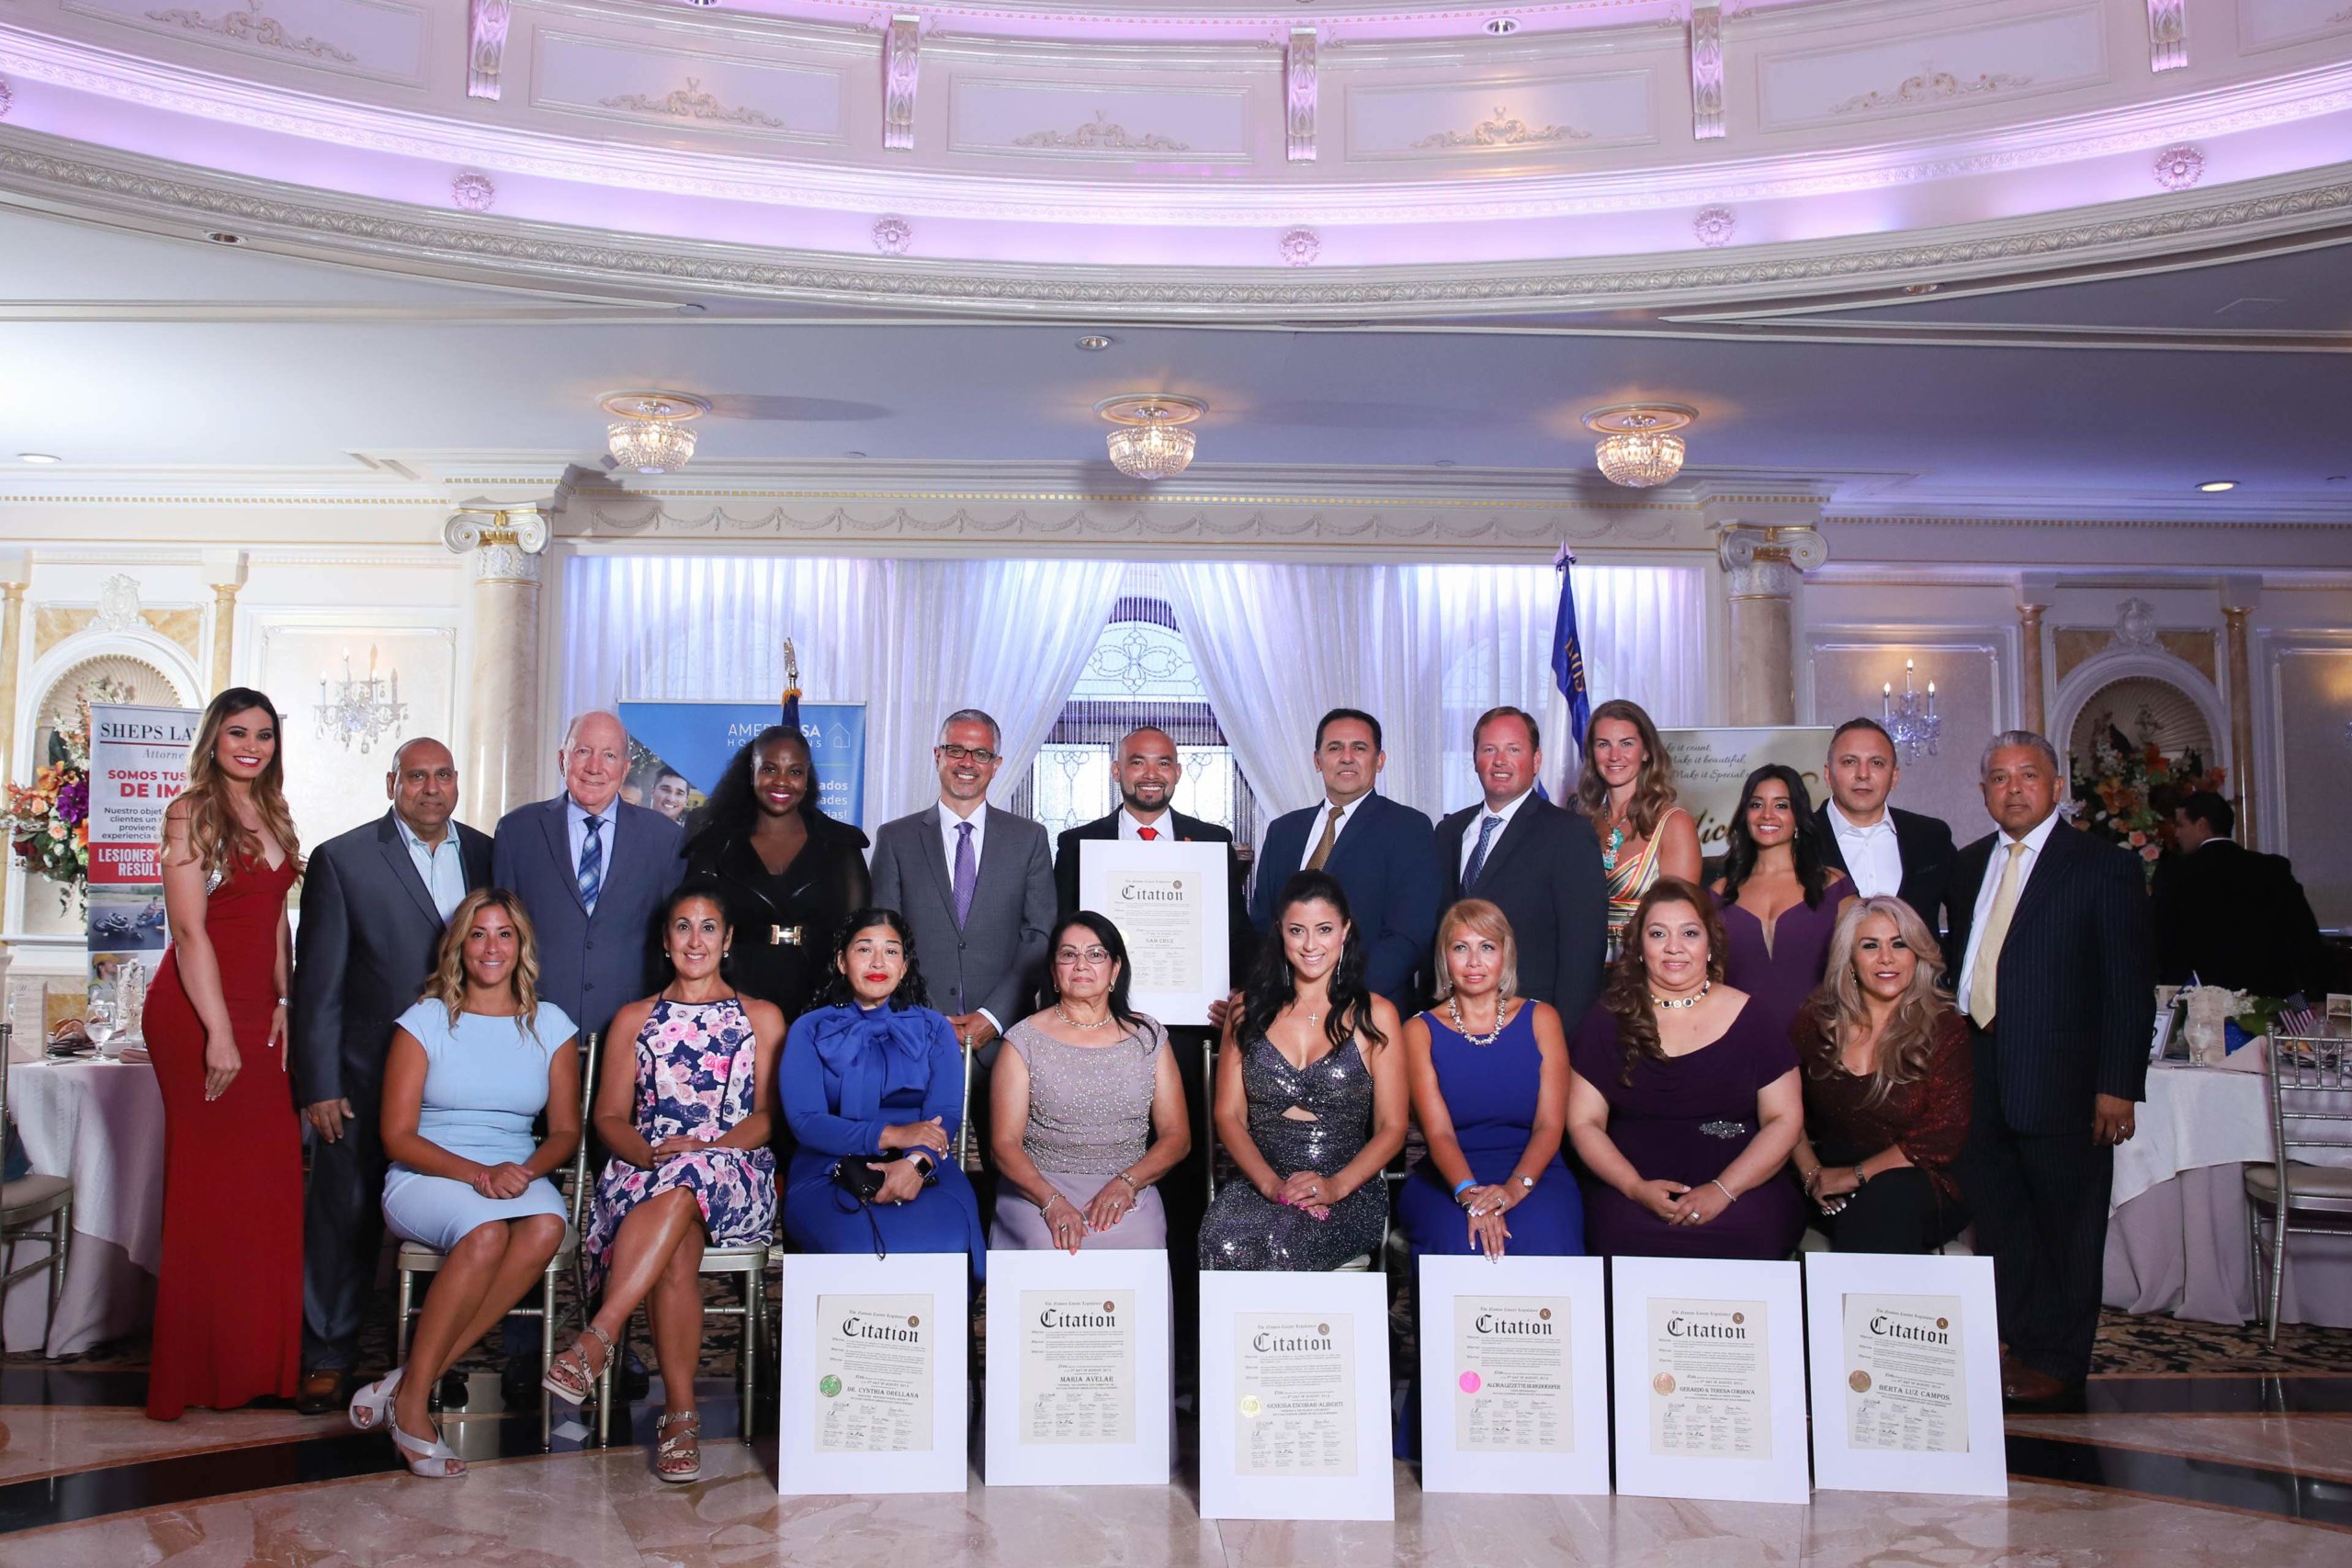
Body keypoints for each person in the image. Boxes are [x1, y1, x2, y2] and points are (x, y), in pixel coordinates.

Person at [546, 884, 782, 1483]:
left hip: (733, 1164)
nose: (695, 939)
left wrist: (708, 1147)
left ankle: (599, 1335)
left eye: (708, 927)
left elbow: (765, 1117)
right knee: (677, 1228)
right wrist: (650, 1152)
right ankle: (680, 1417)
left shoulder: (761, 1015)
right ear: (665, 939)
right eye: (683, 926)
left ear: (727, 940)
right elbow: (607, 1119)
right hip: (645, 1164)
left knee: (690, 1180)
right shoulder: (634, 1018)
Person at [290, 737, 493, 1414]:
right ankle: (327, 1353)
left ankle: (436, 1358)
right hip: (363, 1073)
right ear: (392, 783)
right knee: (344, 1212)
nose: (431, 788)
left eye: (443, 774)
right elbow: (316, 983)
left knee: (455, 1217)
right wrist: (318, 1081)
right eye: (416, 777)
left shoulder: (487, 853)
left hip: (463, 1082)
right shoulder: (342, 860)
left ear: (457, 781)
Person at [347, 891, 580, 1477]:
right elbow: (397, 1136)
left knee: (546, 1224)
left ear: (522, 945)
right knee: (485, 1237)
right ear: (459, 946)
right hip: (429, 1172)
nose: (491, 947)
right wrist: (478, 1175)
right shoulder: (424, 1020)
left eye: (505, 934)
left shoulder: (550, 1025)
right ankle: (416, 1410)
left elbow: (563, 1132)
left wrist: (524, 1172)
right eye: (478, 934)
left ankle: (405, 1385)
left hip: (514, 1169)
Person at [1950, 731, 2151, 1402]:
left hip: (2063, 1079)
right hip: (1979, 1067)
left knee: (2067, 1222)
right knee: (2001, 1217)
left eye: (2027, 775)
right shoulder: (1970, 862)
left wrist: (2117, 1085)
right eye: (1999, 777)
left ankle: (2059, 1358)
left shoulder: (2099, 865)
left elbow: (2129, 984)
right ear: (1984, 791)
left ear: (2056, 786)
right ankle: (2014, 1340)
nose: (2013, 788)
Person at [143, 689, 304, 1421]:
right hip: (195, 1009)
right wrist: (218, 1030)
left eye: (264, 734)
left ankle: (254, 1366)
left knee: (267, 1185)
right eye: (238, 732)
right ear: (213, 738)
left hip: (256, 1011)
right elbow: (188, 931)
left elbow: (274, 922)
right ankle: (198, 1371)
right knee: (208, 1190)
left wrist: (284, 999)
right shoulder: (190, 811)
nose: (252, 745)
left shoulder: (273, 810)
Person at [1565, 879, 1805, 1260]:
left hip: (1741, 1193)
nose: (1674, 947)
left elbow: (1784, 1120)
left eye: (1689, 933)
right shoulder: (1607, 1019)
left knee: (1753, 1234)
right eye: (1658, 934)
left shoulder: (1753, 1017)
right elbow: (1583, 1123)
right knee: (1617, 1235)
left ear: (1710, 944)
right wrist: (1635, 1188)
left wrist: (1723, 1190)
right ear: (1640, 948)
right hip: (1632, 1196)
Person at [1199, 872, 1409, 1270]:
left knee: (1287, 1242)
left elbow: (1392, 1128)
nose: (1311, 945)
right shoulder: (1246, 1010)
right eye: (1297, 931)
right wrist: (1270, 1185)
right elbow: (1228, 1116)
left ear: (1345, 931)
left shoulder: (1376, 1015)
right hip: (1260, 1183)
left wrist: (1334, 1186)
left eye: (1324, 929)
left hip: (1348, 1189)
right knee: (1219, 1237)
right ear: (1280, 932)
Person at [779, 909, 985, 1277]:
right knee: (852, 1247)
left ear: (904, 966)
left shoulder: (935, 1027)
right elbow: (804, 1121)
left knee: (948, 1242)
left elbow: (946, 1113)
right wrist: (891, 1133)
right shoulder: (808, 1029)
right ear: (842, 961)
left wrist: (916, 1164)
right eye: (864, 949)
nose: (878, 962)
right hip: (828, 1163)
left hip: (924, 1163)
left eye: (891, 951)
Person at [989, 912, 1191, 1251]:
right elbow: (1004, 1146)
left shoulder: (1149, 1037)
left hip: (1128, 1185)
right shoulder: (1022, 1041)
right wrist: (1051, 1202)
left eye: (1096, 954)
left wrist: (1128, 1183)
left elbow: (1177, 1137)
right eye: (1068, 955)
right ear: (1054, 972)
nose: (1081, 964)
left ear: (1115, 970)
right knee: (1045, 1243)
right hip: (1038, 1188)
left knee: (1140, 1242)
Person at [1396, 899, 1581, 1261]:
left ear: (1505, 955)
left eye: (1487, 947)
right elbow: (1439, 1134)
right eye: (1461, 948)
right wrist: (1470, 1197)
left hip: (1535, 1173)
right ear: (1445, 958)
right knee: (1459, 1243)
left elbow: (1549, 1126)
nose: (1474, 962)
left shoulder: (1542, 1019)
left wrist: (1514, 1189)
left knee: (1543, 1234)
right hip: (1447, 1176)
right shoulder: (1419, 1030)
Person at [870, 708, 1056, 1058]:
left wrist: (994, 1016)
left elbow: (1039, 936)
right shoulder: (896, 838)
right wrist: (928, 1016)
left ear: (996, 764)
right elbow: (884, 940)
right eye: (956, 750)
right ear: (937, 756)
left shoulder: (1029, 839)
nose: (967, 762)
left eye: (980, 754)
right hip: (914, 1036)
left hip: (1006, 1040)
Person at [493, 710, 687, 1043]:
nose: (595, 767)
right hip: (532, 1026)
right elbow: (499, 935)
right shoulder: (517, 831)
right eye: (583, 751)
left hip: (632, 1033)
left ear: (625, 768)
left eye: (609, 755)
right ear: (562, 759)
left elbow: (674, 940)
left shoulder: (665, 839)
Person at [1792, 897, 1973, 1253]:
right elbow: (1783, 1111)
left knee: (1883, 1200)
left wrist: (1855, 1176)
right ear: (1850, 960)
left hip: (1918, 1181)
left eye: (1899, 944)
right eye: (1870, 945)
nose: (1886, 958)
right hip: (1829, 1175)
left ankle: (1869, 1310)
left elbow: (1942, 1135)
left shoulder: (1944, 1027)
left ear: (1917, 954)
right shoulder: (1814, 1023)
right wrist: (1813, 1175)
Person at [1249, 708, 1441, 1010]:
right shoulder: (1283, 832)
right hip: (1284, 1012)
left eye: (1360, 748)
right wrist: (1276, 995)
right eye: (1335, 748)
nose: (1347, 757)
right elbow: (1263, 926)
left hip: (1368, 1012)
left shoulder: (1408, 828)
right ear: (1317, 760)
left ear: (1380, 761)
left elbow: (1410, 936)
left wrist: (1336, 997)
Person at [1431, 705, 1608, 1021]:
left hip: (1530, 1022)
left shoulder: (1568, 834)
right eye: (1489, 749)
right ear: (1475, 759)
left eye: (1513, 749)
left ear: (1536, 760)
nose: (1500, 761)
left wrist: (1563, 1037)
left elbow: (1583, 950)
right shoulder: (1448, 832)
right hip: (1453, 1020)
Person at [685, 725, 871, 1023]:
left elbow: (859, 935)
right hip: (732, 1002)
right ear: (751, 772)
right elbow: (695, 931)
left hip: (823, 1004)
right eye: (770, 768)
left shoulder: (842, 845)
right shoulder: (714, 845)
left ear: (808, 777)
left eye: (795, 772)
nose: (782, 782)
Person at [1711, 762, 1851, 1043]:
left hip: (1822, 1043)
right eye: (1756, 804)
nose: (1767, 815)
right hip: (1738, 1042)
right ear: (1745, 814)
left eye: (1781, 805)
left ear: (1798, 816)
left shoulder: (1834, 887)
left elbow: (1854, 972)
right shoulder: (1719, 893)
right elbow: (1710, 980)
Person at [2152, 790, 2326, 998]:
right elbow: (2304, 936)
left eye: (2180, 825)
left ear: (2202, 825)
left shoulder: (2173, 874)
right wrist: (2314, 996)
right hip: (2268, 1003)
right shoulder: (2272, 869)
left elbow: (2159, 941)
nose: (2177, 834)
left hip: (2199, 1007)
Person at [1575, 698, 1702, 961]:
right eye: (1603, 744)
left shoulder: (1674, 824)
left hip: (1645, 972)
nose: (1614, 756)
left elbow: (1679, 918)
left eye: (1626, 744)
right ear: (1592, 753)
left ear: (1646, 752)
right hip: (1583, 971)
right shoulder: (1581, 823)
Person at [1814, 717, 1957, 940]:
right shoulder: (1800, 839)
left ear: (1894, 777)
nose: (1863, 774)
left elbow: (1967, 919)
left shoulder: (1931, 837)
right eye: (1850, 762)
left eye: (1877, 763)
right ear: (1828, 775)